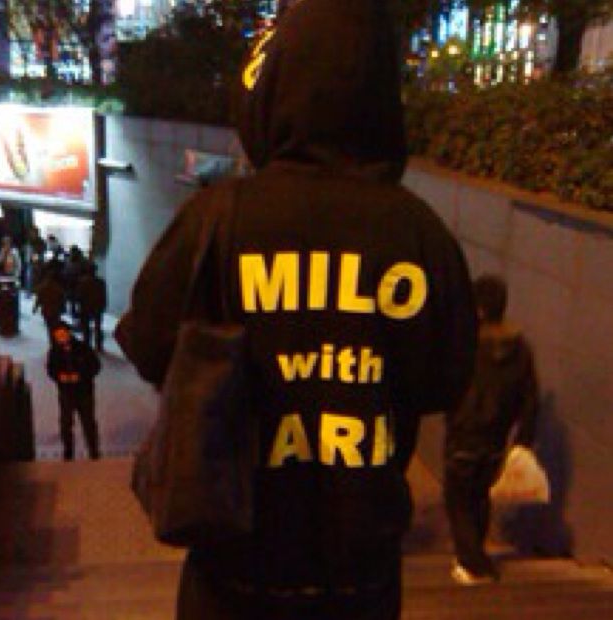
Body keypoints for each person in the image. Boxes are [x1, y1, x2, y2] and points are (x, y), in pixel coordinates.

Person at [115, 1, 477, 619]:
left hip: (232, 573)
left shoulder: (218, 218)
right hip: (359, 582)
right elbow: (443, 381)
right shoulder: (420, 234)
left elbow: (149, 348)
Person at [444, 274, 539, 586]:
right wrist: (523, 439)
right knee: (480, 496)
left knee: (458, 499)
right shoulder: (520, 348)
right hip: (497, 437)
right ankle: (476, 556)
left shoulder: (465, 345)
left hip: (463, 433)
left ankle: (472, 563)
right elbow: (530, 397)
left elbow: (447, 384)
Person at [46, 322, 101, 461]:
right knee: (66, 423)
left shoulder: (83, 348)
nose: (61, 339)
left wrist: (80, 376)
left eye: (63, 335)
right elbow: (51, 369)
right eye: (58, 337)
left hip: (84, 392)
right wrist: (59, 377)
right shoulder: (54, 352)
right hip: (66, 392)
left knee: (88, 422)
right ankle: (68, 452)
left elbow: (95, 366)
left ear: (68, 333)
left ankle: (94, 451)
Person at [77, 262, 107, 352]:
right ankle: (99, 345)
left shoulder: (82, 282)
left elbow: (79, 296)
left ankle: (87, 344)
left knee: (86, 327)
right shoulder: (100, 282)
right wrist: (103, 305)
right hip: (97, 306)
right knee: (98, 327)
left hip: (85, 307)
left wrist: (79, 306)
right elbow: (103, 295)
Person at [33, 267, 67, 343]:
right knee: (56, 327)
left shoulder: (43, 286)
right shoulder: (58, 287)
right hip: (55, 310)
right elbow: (62, 298)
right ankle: (55, 341)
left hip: (46, 310)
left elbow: (39, 298)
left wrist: (35, 307)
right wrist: (63, 308)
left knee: (50, 327)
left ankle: (52, 341)